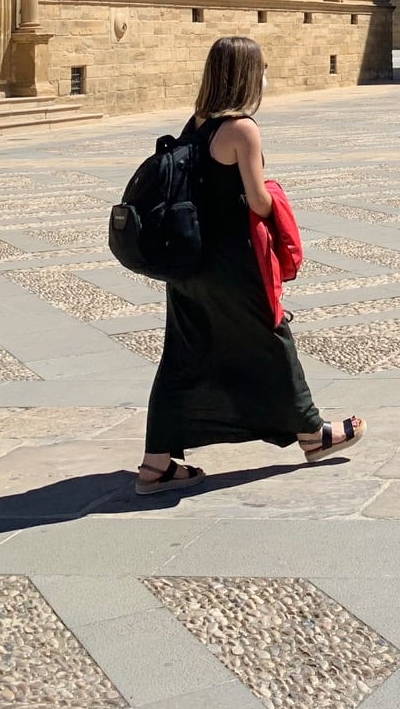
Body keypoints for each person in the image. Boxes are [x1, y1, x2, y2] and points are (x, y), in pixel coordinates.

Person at [137, 36, 362, 495]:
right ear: (245, 75)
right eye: (261, 69)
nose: (265, 76)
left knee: (183, 355)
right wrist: (275, 193)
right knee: (272, 339)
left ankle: (157, 465)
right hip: (231, 261)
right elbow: (257, 202)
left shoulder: (196, 123)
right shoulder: (242, 129)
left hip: (188, 261)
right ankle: (311, 434)